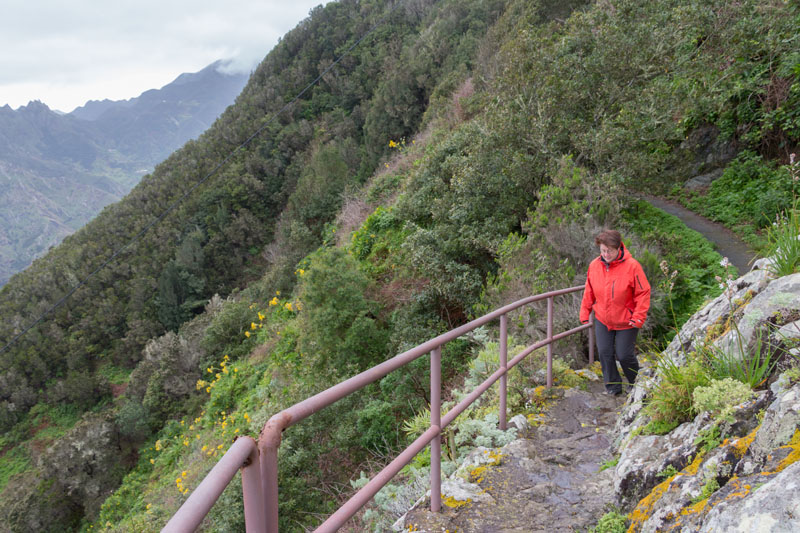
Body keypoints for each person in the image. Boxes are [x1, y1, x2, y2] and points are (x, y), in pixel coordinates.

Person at [580, 229, 651, 396]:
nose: (606, 254)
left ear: (618, 248)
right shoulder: (594, 266)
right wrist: (585, 312)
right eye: (603, 251)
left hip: (627, 320)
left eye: (609, 251)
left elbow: (643, 292)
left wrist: (639, 316)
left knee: (624, 354)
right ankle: (613, 387)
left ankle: (635, 383)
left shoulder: (632, 266)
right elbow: (589, 291)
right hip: (603, 319)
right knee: (604, 352)